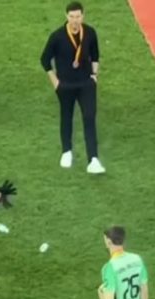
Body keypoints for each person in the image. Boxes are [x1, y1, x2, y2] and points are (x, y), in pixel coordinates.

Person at [40, 2, 105, 174]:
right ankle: (66, 151)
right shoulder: (58, 36)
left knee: (89, 117)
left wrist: (94, 75)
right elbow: (45, 59)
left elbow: (96, 55)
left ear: (83, 16)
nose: (75, 20)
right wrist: (55, 82)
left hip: (86, 84)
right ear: (66, 16)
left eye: (78, 16)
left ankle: (93, 159)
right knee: (66, 116)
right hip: (66, 85)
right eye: (71, 17)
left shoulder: (89, 33)